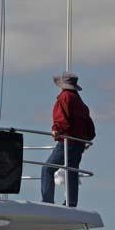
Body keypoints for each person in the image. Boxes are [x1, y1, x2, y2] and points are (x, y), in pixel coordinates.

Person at [41, 71, 95, 207]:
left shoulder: (64, 98)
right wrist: (85, 139)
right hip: (79, 144)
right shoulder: (81, 103)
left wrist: (56, 130)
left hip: (67, 142)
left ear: (62, 85)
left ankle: (47, 202)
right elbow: (91, 128)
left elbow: (61, 120)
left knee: (47, 169)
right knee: (72, 171)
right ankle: (71, 202)